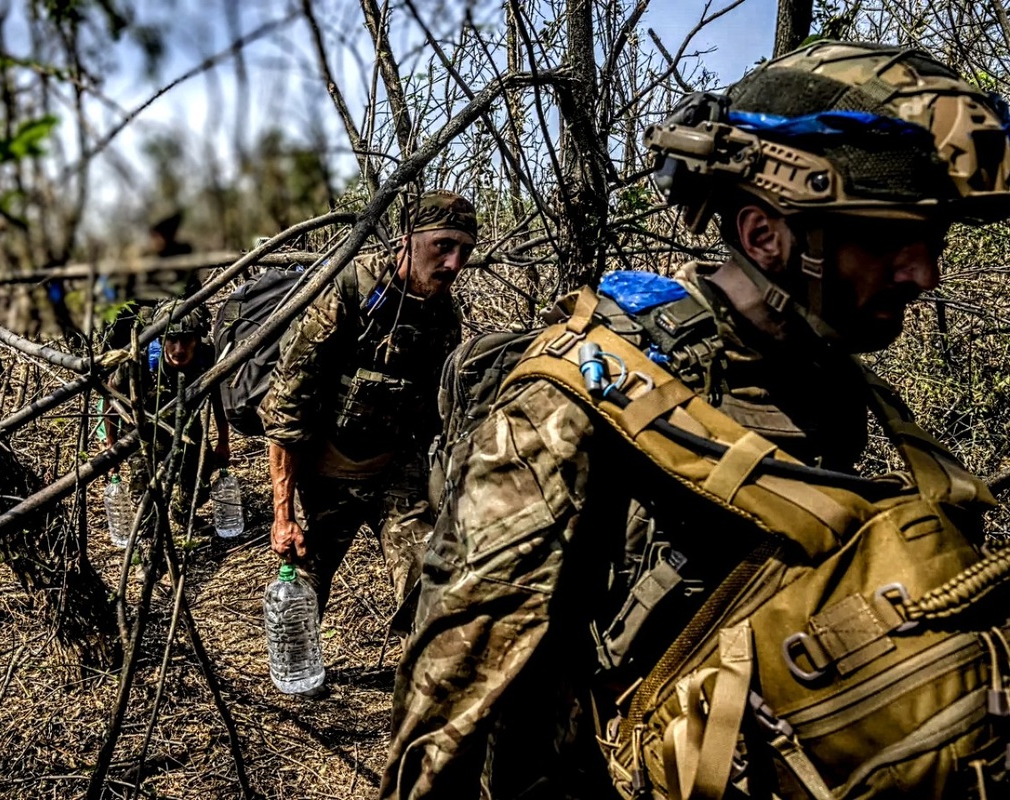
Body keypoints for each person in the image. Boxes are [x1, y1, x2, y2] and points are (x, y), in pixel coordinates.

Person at [382, 42, 1010, 799]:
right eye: (885, 239)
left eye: (932, 238)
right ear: (764, 236)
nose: (924, 274)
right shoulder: (576, 399)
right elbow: (451, 697)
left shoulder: (822, 370)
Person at [260, 189, 478, 619]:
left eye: (464, 251)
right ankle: (299, 674)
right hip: (325, 474)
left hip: (395, 471)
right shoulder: (348, 290)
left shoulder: (444, 317)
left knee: (430, 580)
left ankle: (429, 674)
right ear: (408, 238)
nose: (454, 263)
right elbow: (287, 405)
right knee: (302, 590)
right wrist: (282, 514)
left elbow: (438, 413)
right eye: (443, 246)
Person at [105, 299, 231, 535]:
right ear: (160, 339)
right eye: (171, 340)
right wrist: (112, 445)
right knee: (144, 495)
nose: (179, 349)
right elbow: (110, 397)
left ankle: (183, 514)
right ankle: (149, 542)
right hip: (141, 434)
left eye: (186, 340)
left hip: (187, 427)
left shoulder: (205, 355)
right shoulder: (139, 357)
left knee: (200, 483)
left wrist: (223, 441)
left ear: (197, 339)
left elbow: (218, 399)